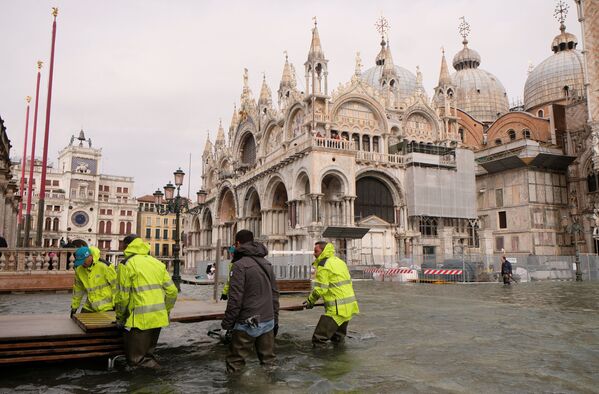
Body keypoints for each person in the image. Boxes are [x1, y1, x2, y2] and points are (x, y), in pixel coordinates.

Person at [115, 234, 178, 368]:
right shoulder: (157, 263)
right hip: (158, 318)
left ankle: (157, 380)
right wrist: (165, 311)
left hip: (139, 320)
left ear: (127, 246)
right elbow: (172, 291)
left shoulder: (126, 264)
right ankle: (159, 383)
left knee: (136, 361)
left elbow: (122, 297)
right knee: (148, 356)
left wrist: (120, 318)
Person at [221, 230, 279, 373]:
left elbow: (235, 300)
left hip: (247, 322)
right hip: (268, 319)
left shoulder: (239, 265)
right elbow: (275, 294)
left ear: (238, 243)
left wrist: (226, 325)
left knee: (235, 363)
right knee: (268, 362)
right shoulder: (266, 263)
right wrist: (275, 319)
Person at [303, 241, 359, 346]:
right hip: (348, 307)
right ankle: (339, 360)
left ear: (323, 251)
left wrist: (310, 301)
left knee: (318, 339)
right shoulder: (339, 261)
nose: (314, 253)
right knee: (338, 339)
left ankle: (325, 362)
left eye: (316, 251)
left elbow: (320, 289)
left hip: (336, 310)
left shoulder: (323, 265)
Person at [70, 246, 116, 317]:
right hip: (90, 306)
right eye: (80, 262)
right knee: (79, 322)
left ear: (90, 257)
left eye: (83, 261)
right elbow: (78, 290)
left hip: (107, 306)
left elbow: (116, 287)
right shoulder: (79, 269)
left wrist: (116, 305)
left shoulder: (105, 266)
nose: (82, 264)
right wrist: (74, 307)